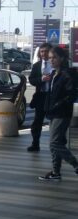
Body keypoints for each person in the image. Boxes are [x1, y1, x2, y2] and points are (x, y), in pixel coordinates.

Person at [39, 46, 78, 181]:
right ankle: (56, 172)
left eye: (54, 57)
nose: (51, 60)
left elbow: (71, 94)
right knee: (57, 142)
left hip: (62, 113)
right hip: (53, 112)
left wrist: (58, 104)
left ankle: (75, 164)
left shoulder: (66, 74)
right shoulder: (55, 74)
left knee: (54, 143)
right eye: (50, 58)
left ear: (61, 58)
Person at [27, 43, 53, 152]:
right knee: (37, 121)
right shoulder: (37, 65)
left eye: (46, 51)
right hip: (41, 96)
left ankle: (58, 144)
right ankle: (35, 143)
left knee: (55, 121)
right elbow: (32, 79)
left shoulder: (55, 64)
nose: (44, 54)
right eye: (42, 51)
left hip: (52, 96)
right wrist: (41, 79)